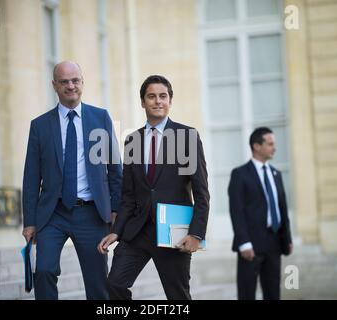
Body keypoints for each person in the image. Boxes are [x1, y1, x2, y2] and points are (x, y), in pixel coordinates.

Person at [97, 75, 210, 300]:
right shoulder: (132, 141)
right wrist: (116, 230)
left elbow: (201, 192)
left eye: (163, 96)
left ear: (170, 101)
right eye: (151, 96)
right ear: (142, 102)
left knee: (178, 296)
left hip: (173, 234)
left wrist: (196, 233)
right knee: (114, 285)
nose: (158, 101)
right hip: (137, 232)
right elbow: (128, 195)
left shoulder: (187, 137)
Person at [22, 61, 122, 300]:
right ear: (54, 85)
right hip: (52, 214)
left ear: (82, 83)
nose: (70, 86)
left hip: (91, 213)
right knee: (44, 270)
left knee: (98, 283)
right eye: (64, 81)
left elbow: (115, 170)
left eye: (75, 80)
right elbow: (31, 177)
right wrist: (30, 221)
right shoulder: (39, 125)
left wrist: (116, 211)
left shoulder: (101, 118)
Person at [228, 127, 293, 300]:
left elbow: (282, 209)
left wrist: (287, 238)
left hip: (274, 242)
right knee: (247, 293)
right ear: (257, 146)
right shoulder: (240, 174)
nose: (275, 148)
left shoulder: (276, 174)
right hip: (251, 244)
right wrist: (244, 243)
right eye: (270, 144)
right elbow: (237, 211)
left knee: (273, 293)